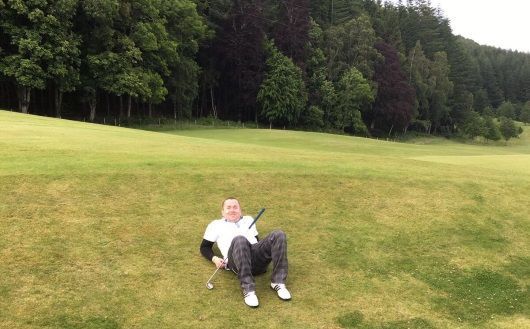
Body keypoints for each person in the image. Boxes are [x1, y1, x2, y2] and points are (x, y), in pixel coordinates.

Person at [200, 197, 291, 307]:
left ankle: (278, 282)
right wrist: (214, 259)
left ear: (240, 210)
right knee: (240, 239)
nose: (232, 210)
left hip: (257, 261)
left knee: (279, 234)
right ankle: (249, 290)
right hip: (236, 261)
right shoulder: (215, 225)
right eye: (228, 207)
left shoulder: (248, 219)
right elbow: (204, 247)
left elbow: (257, 240)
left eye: (235, 207)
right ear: (222, 212)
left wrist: (262, 249)